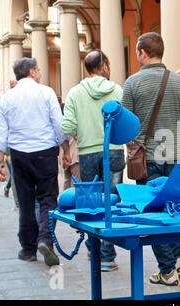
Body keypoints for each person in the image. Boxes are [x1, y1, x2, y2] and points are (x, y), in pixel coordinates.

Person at [122, 32, 180, 286]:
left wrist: (133, 147)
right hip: (177, 155)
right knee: (174, 210)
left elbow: (126, 129)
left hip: (149, 157)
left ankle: (167, 270)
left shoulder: (132, 83)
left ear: (142, 53)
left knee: (155, 213)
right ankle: (178, 263)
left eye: (137, 52)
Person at [0, 57, 70, 267]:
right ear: (33, 71)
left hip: (19, 155)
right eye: (38, 69)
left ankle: (28, 249)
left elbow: (0, 133)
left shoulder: (7, 98)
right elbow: (59, 124)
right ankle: (45, 239)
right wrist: (65, 150)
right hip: (44, 152)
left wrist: (0, 165)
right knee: (47, 199)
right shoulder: (46, 92)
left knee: (26, 201)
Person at [61, 49, 123, 272]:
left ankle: (94, 248)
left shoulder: (75, 93)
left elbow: (66, 127)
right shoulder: (117, 90)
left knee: (91, 202)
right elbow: (126, 122)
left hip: (86, 152)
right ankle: (108, 256)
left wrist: (83, 131)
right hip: (114, 151)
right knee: (111, 201)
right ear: (105, 66)